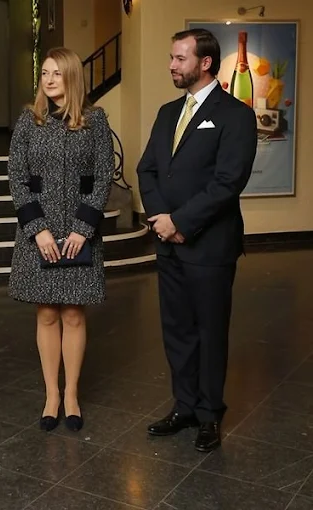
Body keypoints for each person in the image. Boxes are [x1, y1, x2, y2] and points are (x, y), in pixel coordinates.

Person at [137, 28, 257, 452]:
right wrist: (159, 221)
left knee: (209, 331)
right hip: (167, 242)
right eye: (171, 58)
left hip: (209, 245)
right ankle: (184, 406)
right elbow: (147, 168)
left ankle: (209, 414)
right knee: (177, 330)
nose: (172, 65)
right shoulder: (168, 112)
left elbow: (228, 183)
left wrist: (181, 222)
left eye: (180, 58)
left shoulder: (236, 115)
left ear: (204, 62)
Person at [8, 47, 115, 433]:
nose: (49, 79)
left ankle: (71, 394)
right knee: (48, 313)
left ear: (72, 76)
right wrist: (37, 229)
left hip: (77, 231)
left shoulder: (95, 120)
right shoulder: (28, 120)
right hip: (39, 232)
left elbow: (104, 176)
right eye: (45, 73)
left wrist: (83, 228)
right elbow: (17, 178)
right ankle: (51, 394)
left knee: (73, 313)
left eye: (57, 73)